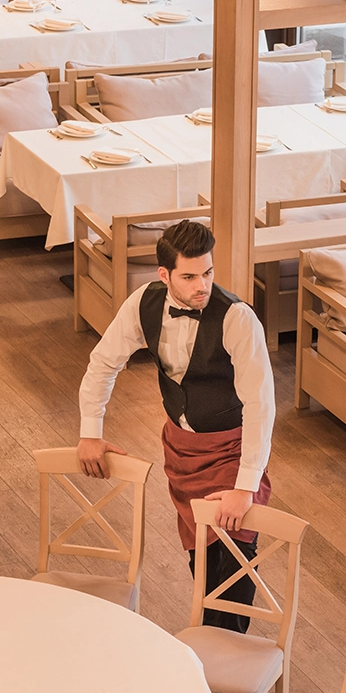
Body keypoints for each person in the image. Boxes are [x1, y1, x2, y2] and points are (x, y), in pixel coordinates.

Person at [76, 220, 274, 634]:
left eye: (208, 273)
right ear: (164, 275)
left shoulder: (238, 319)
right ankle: (209, 649)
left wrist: (245, 486)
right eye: (189, 276)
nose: (201, 285)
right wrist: (90, 432)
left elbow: (261, 407)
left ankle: (217, 660)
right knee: (201, 563)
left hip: (232, 451)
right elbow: (103, 363)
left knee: (233, 563)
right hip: (181, 454)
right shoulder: (143, 304)